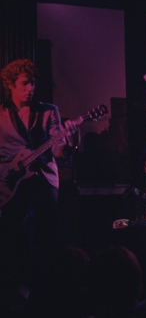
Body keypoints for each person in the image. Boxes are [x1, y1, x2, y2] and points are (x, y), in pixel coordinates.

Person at [0, 59, 81, 293]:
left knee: (47, 233)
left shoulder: (48, 111)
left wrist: (70, 141)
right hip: (9, 179)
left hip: (43, 176)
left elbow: (58, 147)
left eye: (33, 83)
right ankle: (13, 286)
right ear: (10, 85)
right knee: (10, 232)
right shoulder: (2, 114)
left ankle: (47, 288)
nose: (30, 89)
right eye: (24, 84)